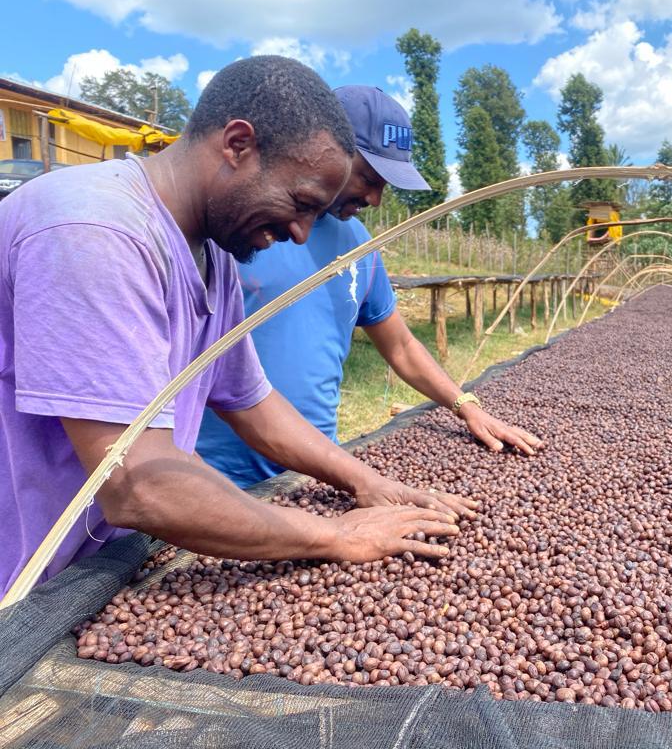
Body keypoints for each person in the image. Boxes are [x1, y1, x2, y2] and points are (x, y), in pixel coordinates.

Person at [0, 57, 473, 599]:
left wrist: (364, 480)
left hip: (110, 561)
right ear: (237, 145)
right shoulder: (92, 231)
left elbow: (252, 402)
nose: (301, 233)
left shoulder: (216, 258)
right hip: (29, 580)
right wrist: (333, 534)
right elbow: (136, 484)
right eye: (300, 203)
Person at [197, 86, 543, 488]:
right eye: (367, 178)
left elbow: (401, 345)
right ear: (325, 150)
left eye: (385, 185)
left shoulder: (359, 243)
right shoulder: (242, 230)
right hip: (217, 480)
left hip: (317, 472)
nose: (376, 199)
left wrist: (467, 406)